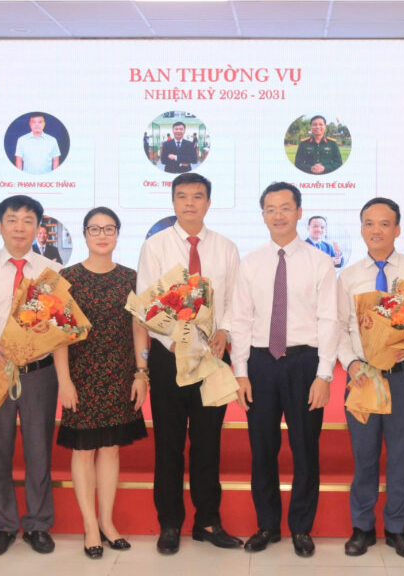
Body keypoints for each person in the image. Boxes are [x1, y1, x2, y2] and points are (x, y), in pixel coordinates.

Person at [136, 172, 242, 554]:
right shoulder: (155, 246)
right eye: (182, 196)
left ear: (208, 202)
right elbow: (147, 304)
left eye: (197, 196)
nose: (190, 203)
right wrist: (177, 339)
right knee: (168, 444)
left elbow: (235, 301)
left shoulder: (226, 248)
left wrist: (224, 330)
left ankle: (208, 522)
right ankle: (169, 523)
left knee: (207, 444)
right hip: (169, 358)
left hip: (212, 358)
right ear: (173, 202)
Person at [231, 182, 337, 558]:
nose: (278, 215)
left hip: (304, 363)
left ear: (299, 212)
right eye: (271, 209)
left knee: (305, 448)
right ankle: (267, 525)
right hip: (261, 363)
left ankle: (301, 528)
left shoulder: (319, 262)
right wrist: (240, 372)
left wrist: (324, 375)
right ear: (263, 215)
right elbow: (241, 320)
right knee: (262, 449)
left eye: (285, 208)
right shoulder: (251, 263)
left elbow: (329, 320)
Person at [0, 195, 63, 557]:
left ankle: (38, 524)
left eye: (28, 220)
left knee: (39, 451)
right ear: (0, 226)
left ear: (38, 228)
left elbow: (61, 326)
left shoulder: (52, 271)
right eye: (13, 220)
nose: (20, 227)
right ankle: (3, 524)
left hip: (39, 374)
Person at [336, 197, 404, 559]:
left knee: (399, 455)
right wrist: (351, 364)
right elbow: (339, 328)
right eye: (369, 223)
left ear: (397, 229)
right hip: (362, 376)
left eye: (384, 223)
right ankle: (362, 527)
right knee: (364, 455)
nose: (376, 230)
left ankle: (397, 528)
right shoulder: (348, 276)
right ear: (361, 228)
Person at [55, 207, 149, 559]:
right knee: (83, 450)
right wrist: (64, 381)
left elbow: (139, 330)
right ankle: (90, 527)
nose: (102, 235)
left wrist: (141, 373)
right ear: (84, 234)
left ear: (117, 234)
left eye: (109, 229)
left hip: (119, 375)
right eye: (94, 229)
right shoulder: (67, 278)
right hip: (81, 376)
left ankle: (107, 523)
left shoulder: (130, 278)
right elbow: (60, 335)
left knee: (110, 448)